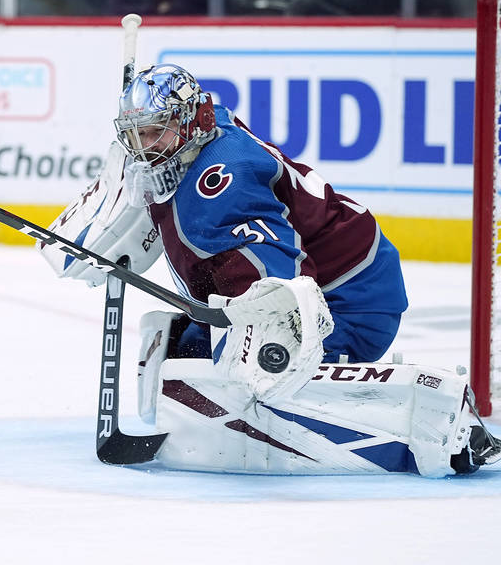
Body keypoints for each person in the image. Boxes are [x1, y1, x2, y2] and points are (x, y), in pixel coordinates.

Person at [42, 63, 499, 476]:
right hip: (349, 275)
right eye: (136, 133)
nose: (144, 147)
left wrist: (262, 348)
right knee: (187, 350)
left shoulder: (219, 186)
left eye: (154, 131)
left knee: (256, 370)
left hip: (353, 302)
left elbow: (281, 286)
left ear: (190, 122)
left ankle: (447, 419)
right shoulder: (205, 127)